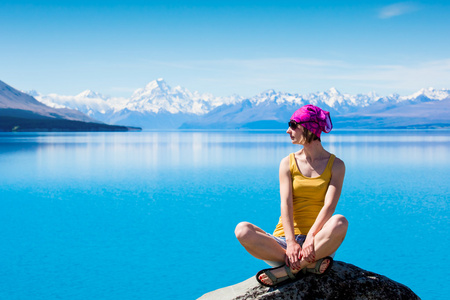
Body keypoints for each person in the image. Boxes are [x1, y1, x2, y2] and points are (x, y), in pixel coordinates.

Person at [234, 104, 348, 287]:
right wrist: (292, 243)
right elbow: (286, 204)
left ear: (309, 127)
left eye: (293, 125)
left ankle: (289, 270)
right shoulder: (287, 163)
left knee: (340, 221)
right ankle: (307, 265)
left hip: (318, 243)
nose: (288, 130)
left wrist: (310, 237)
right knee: (242, 230)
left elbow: (329, 206)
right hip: (284, 247)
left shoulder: (337, 165)